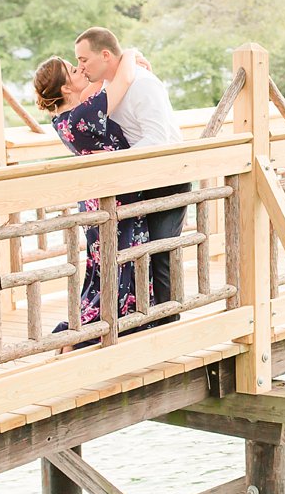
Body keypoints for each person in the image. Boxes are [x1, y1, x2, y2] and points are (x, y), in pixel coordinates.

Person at [73, 26, 189, 326]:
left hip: (167, 177)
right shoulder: (110, 86)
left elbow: (159, 138)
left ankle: (170, 325)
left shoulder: (143, 84)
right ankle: (144, 323)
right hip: (138, 181)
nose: (81, 66)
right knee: (141, 258)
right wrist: (132, 52)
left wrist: (114, 159)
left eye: (84, 59)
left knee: (162, 253)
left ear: (106, 54)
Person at [32, 55, 149, 344]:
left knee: (103, 266)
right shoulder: (83, 115)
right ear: (64, 89)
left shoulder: (64, 120)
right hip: (115, 198)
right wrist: (130, 54)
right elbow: (121, 80)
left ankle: (87, 331)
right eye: (73, 70)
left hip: (97, 199)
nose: (79, 69)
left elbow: (98, 82)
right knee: (122, 262)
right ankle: (95, 332)